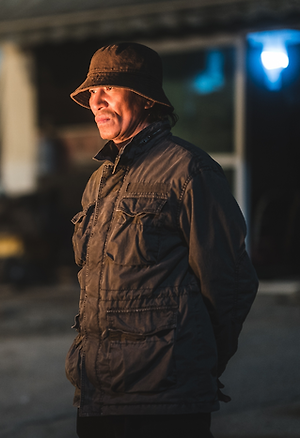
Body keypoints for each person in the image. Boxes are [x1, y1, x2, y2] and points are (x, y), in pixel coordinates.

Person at [64, 42, 258, 438]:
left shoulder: (190, 172)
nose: (95, 101)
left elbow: (230, 282)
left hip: (167, 398)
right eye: (91, 92)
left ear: (146, 99)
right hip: (99, 396)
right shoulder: (97, 183)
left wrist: (197, 360)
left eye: (109, 89)